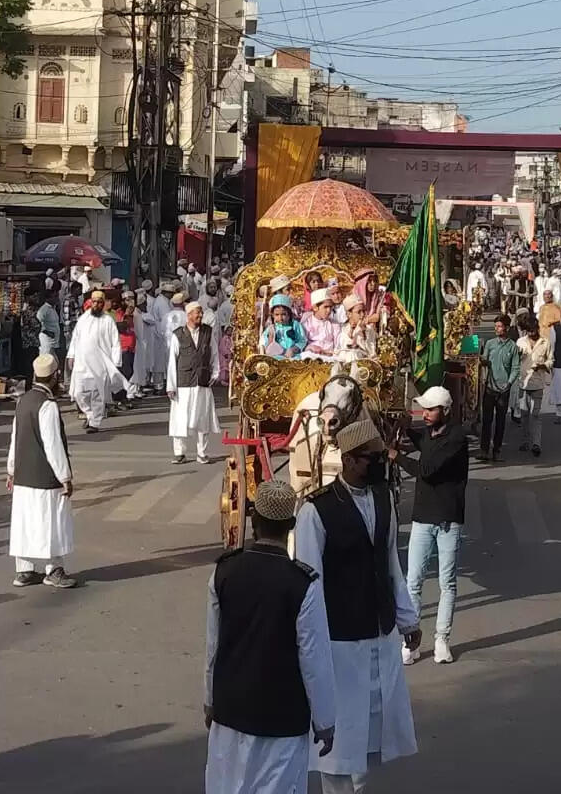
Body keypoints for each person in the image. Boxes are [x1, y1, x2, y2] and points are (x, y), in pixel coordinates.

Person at [293, 418, 420, 792]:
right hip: (339, 641)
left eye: (381, 458)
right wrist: (309, 643)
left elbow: (391, 563)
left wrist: (407, 620)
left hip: (379, 633)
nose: (379, 465)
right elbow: (308, 584)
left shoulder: (384, 499)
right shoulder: (315, 511)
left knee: (372, 730)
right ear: (348, 459)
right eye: (371, 459)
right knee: (341, 732)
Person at [204, 478, 337, 794]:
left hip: (230, 711)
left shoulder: (224, 571)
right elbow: (314, 659)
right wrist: (325, 720)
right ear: (291, 525)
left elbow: (213, 645)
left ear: (253, 520)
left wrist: (210, 700)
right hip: (281, 719)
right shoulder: (303, 583)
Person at [395, 386, 468, 666]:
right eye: (423, 409)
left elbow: (426, 469)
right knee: (413, 581)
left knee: (446, 583)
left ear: (445, 411)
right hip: (422, 518)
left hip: (448, 519)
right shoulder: (429, 433)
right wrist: (403, 428)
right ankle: (411, 640)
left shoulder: (457, 439)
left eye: (430, 409)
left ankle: (441, 639)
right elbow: (421, 440)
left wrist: (396, 456)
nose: (424, 414)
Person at [7, 353, 77, 589]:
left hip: (23, 474)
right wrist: (65, 477)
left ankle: (24, 570)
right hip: (45, 476)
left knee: (25, 522)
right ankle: (54, 569)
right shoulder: (47, 406)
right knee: (52, 523)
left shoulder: (23, 400)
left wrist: (10, 468)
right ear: (54, 376)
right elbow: (53, 445)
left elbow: (15, 438)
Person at [167, 302, 221, 465]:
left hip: (202, 381)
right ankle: (179, 453)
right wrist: (171, 386)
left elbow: (214, 354)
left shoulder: (207, 332)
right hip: (183, 383)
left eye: (201, 313)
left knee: (202, 419)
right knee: (180, 418)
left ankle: (202, 453)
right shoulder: (178, 334)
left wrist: (215, 373)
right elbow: (172, 361)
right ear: (189, 315)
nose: (200, 316)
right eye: (197, 313)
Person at [68, 290, 124, 434]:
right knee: (79, 393)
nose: (97, 305)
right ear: (91, 303)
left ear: (103, 303)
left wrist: (116, 362)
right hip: (82, 363)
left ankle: (95, 422)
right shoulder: (83, 318)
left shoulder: (108, 320)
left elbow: (115, 342)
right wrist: (71, 355)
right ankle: (89, 413)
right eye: (94, 302)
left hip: (100, 364)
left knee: (97, 393)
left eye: (100, 302)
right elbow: (75, 338)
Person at [479, 314, 520, 462]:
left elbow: (515, 368)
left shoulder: (513, 347)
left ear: (507, 328)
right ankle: (484, 450)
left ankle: (497, 450)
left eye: (500, 326)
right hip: (490, 387)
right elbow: (484, 359)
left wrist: (508, 383)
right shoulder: (490, 344)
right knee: (487, 420)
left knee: (501, 421)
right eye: (495, 326)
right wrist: (480, 360)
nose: (497, 329)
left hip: (503, 389)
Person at [515, 313, 553, 458]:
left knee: (535, 414)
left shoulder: (545, 342)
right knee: (524, 414)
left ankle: (536, 443)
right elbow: (514, 361)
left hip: (538, 383)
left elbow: (551, 361)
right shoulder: (520, 342)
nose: (532, 333)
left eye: (534, 330)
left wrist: (543, 366)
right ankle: (525, 441)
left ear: (537, 328)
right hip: (523, 382)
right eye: (529, 330)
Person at [261, 294, 307, 359]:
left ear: (289, 314)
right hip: (276, 356)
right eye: (277, 314)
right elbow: (264, 343)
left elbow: (302, 340)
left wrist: (294, 349)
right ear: (272, 315)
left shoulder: (295, 325)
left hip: (293, 356)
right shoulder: (271, 328)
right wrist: (270, 339)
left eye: (283, 314)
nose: (280, 318)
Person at [301, 288, 342, 360]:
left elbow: (338, 345)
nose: (329, 310)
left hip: (330, 356)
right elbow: (302, 343)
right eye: (325, 307)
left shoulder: (334, 324)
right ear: (315, 308)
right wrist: (310, 348)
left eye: (330, 307)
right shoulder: (306, 323)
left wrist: (331, 353)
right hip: (312, 355)